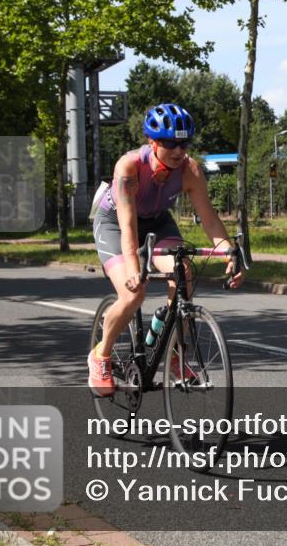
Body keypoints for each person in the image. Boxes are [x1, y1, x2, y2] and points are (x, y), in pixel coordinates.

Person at [89, 103, 244, 396]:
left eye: (183, 143)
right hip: (116, 224)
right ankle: (101, 356)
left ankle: (173, 354)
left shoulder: (190, 170)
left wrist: (230, 255)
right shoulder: (129, 167)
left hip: (158, 222)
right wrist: (135, 270)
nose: (178, 150)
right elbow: (128, 227)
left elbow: (209, 220)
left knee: (182, 271)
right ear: (153, 142)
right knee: (133, 292)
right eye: (170, 143)